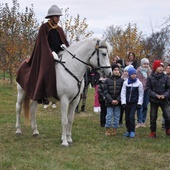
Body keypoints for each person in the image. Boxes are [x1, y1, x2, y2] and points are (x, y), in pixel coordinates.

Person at [16, 5, 69, 105]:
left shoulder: (59, 29)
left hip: (59, 53)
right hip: (46, 53)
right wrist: (50, 52)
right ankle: (44, 95)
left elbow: (63, 41)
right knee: (46, 67)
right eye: (56, 16)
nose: (58, 18)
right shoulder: (44, 27)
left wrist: (64, 46)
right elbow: (42, 43)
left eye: (59, 16)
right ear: (51, 17)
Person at [146, 60, 170, 138]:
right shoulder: (150, 77)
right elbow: (148, 89)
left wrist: (165, 95)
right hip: (154, 100)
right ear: (155, 67)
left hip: (164, 100)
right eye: (159, 66)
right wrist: (156, 95)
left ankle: (168, 129)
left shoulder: (166, 77)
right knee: (153, 117)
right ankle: (153, 131)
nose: (161, 68)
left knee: (167, 116)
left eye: (162, 67)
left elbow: (169, 88)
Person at [121, 67, 144, 138]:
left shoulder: (139, 83)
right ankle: (128, 130)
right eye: (132, 74)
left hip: (134, 103)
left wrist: (139, 103)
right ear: (129, 75)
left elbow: (141, 94)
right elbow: (123, 93)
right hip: (127, 103)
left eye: (135, 74)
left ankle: (132, 131)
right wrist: (123, 102)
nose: (134, 75)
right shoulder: (125, 83)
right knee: (127, 117)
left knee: (131, 116)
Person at [103, 64, 124, 136]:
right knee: (109, 115)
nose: (116, 71)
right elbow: (105, 92)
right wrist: (111, 100)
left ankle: (115, 129)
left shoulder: (122, 81)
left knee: (117, 116)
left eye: (117, 70)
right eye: (115, 70)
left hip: (118, 102)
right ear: (112, 71)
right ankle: (108, 129)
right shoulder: (107, 81)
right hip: (109, 102)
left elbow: (122, 92)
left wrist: (118, 100)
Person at [135, 58, 151, 128]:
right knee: (139, 106)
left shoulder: (150, 72)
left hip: (147, 91)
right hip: (139, 91)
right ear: (141, 64)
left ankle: (143, 121)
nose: (146, 65)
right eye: (144, 64)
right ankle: (139, 121)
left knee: (145, 106)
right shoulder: (137, 71)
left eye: (147, 64)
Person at [162, 63, 170, 129]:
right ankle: (164, 124)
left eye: (169, 69)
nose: (168, 69)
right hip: (165, 96)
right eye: (167, 68)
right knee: (165, 111)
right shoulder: (163, 76)